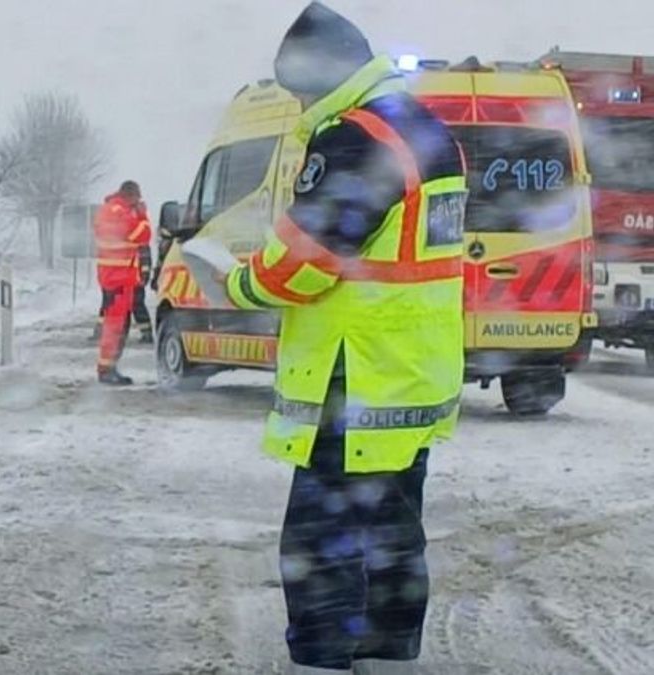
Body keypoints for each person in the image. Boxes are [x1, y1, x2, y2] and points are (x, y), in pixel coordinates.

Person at [221, 3, 467, 673]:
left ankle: (325, 661)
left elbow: (304, 259)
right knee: (390, 533)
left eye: (298, 85)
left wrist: (239, 284)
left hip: (354, 375)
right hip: (411, 372)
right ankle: (388, 656)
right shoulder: (424, 127)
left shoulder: (358, 136)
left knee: (321, 539)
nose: (298, 99)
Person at [94, 180, 151, 385]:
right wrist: (142, 215)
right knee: (116, 326)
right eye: (137, 199)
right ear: (130, 195)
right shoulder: (119, 211)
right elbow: (142, 235)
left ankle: (109, 367)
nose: (138, 203)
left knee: (117, 324)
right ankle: (107, 369)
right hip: (118, 277)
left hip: (114, 276)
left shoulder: (108, 209)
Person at [90, 199, 154, 344]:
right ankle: (102, 332)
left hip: (132, 276)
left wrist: (144, 275)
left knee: (135, 303)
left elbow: (144, 253)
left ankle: (147, 333)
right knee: (110, 303)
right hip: (117, 275)